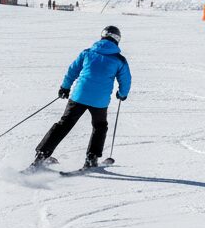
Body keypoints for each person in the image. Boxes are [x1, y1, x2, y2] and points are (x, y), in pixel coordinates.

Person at [32, 26, 131, 169]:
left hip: (79, 96)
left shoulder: (87, 53)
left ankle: (41, 156)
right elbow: (126, 80)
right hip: (99, 101)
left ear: (102, 36)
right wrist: (122, 94)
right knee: (100, 127)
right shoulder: (119, 59)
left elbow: (72, 70)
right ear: (117, 40)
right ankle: (92, 159)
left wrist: (65, 87)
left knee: (64, 124)